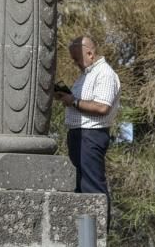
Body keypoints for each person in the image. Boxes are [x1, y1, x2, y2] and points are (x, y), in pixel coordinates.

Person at [55, 35, 120, 226]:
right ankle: (84, 231)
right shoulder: (86, 75)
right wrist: (67, 97)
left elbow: (102, 107)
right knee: (81, 185)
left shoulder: (105, 73)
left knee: (92, 185)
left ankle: (97, 233)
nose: (75, 63)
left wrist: (73, 101)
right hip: (79, 134)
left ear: (90, 53)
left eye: (77, 58)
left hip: (91, 134)